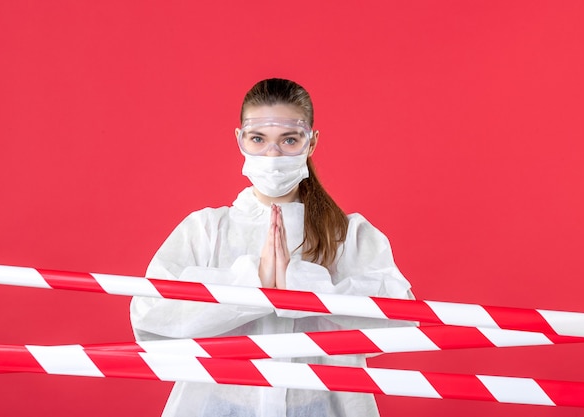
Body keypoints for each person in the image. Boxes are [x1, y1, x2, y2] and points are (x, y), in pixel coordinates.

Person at [130, 78, 415, 417]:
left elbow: (401, 317)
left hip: (325, 408)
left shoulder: (347, 233)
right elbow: (150, 319)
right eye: (258, 139)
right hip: (213, 406)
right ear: (239, 139)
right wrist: (251, 283)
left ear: (312, 143)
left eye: (289, 140)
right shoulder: (205, 230)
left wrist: (303, 287)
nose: (272, 154)